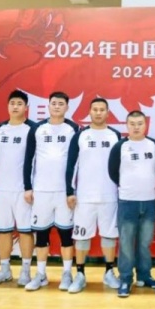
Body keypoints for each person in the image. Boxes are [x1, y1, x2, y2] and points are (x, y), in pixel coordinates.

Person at [23, 92, 79, 292]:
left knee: (66, 235)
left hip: (63, 192)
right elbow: (29, 159)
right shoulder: (37, 129)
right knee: (42, 235)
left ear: (67, 107)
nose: (56, 106)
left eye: (60, 104)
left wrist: (71, 190)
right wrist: (28, 187)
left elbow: (75, 162)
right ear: (48, 106)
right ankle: (41, 274)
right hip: (41, 191)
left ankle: (67, 273)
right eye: (53, 103)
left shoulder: (73, 129)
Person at [65, 98, 121, 294]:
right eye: (95, 109)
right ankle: (80, 274)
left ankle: (109, 272)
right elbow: (71, 165)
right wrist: (70, 191)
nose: (98, 113)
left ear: (108, 112)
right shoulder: (80, 136)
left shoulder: (115, 135)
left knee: (109, 235)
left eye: (102, 109)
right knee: (81, 236)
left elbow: (120, 166)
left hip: (110, 195)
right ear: (89, 112)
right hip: (84, 197)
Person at [0, 90, 35, 287]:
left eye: (19, 103)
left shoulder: (32, 129)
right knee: (3, 230)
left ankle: (25, 271)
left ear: (26, 107)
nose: (15, 106)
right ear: (7, 106)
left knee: (25, 231)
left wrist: (29, 187)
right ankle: (5, 270)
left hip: (23, 190)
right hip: (2, 190)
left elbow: (34, 159)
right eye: (12, 103)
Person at [109, 111, 155, 298]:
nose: (136, 127)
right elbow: (113, 172)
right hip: (127, 201)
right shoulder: (120, 146)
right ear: (127, 125)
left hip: (149, 200)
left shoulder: (154, 145)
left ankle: (145, 276)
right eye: (132, 124)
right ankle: (125, 279)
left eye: (140, 123)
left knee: (145, 243)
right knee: (126, 243)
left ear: (145, 125)